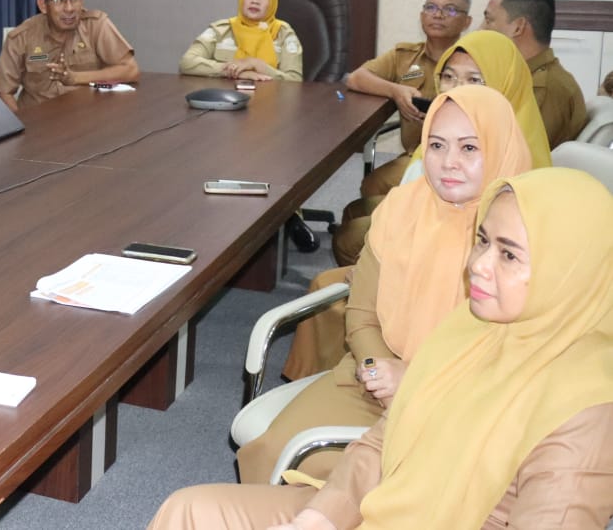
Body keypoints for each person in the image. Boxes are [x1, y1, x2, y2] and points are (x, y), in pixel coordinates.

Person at [150, 167, 613, 530]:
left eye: (508, 254)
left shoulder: (586, 411)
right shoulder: (471, 328)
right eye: (483, 241)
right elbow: (383, 441)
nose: (478, 265)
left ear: (568, 270)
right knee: (188, 511)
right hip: (381, 506)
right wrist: (317, 521)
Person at [236, 86, 533, 485]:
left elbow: (514, 353)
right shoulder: (400, 208)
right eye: (437, 145)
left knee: (394, 486)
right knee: (276, 453)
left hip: (461, 402)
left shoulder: (523, 235)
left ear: (500, 147)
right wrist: (377, 370)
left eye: (469, 148)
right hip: (372, 381)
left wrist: (413, 381)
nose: (449, 162)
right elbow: (361, 313)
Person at [329, 28, 551, 267]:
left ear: (503, 83)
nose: (457, 88)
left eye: (474, 80)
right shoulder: (455, 121)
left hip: (453, 258)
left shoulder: (514, 153)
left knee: (349, 240)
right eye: (449, 77)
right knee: (356, 216)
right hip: (428, 224)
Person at [344, 0, 473, 199]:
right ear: (422, 15)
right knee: (372, 187)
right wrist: (395, 90)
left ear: (466, 22)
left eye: (450, 9)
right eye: (431, 7)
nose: (438, 15)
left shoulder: (472, 63)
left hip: (454, 158)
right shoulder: (406, 58)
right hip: (413, 155)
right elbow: (356, 78)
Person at [0, 0, 140, 112]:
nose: (69, 8)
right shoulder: (21, 37)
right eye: (60, 0)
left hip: (88, 117)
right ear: (43, 5)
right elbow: (3, 92)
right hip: (40, 121)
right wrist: (21, 124)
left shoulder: (96, 26)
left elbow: (130, 70)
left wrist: (75, 78)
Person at [481, 0, 587, 148]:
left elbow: (518, 152)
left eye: (489, 20)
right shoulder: (521, 75)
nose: (481, 30)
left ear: (518, 27)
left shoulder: (546, 88)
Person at [179, 0, 303, 82]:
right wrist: (234, 72)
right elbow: (187, 62)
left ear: (273, 3)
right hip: (227, 97)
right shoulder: (221, 29)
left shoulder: (283, 33)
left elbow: (294, 80)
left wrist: (257, 65)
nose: (255, 1)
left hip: (271, 98)